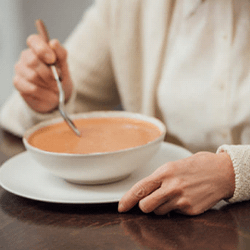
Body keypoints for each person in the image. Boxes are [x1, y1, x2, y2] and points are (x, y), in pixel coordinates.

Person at [1, 0, 250, 216]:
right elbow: (20, 121)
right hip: (164, 224)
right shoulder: (127, 7)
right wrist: (46, 98)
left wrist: (233, 172)